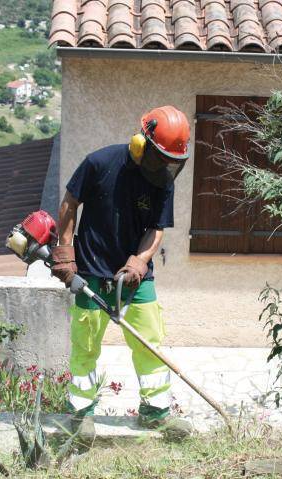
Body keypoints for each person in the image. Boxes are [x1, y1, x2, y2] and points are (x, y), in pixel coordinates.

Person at [51, 105, 193, 443]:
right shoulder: (99, 163)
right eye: (160, 157)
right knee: (85, 346)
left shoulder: (163, 181)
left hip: (134, 278)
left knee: (150, 342)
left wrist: (140, 260)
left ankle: (156, 413)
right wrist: (66, 252)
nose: (165, 167)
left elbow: (156, 228)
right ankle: (81, 414)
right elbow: (70, 203)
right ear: (140, 143)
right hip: (90, 270)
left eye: (172, 161)